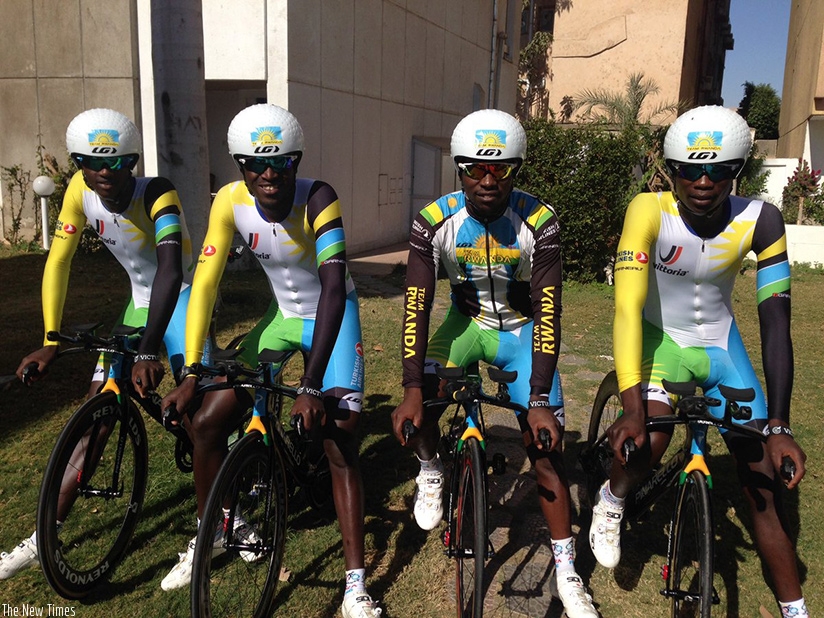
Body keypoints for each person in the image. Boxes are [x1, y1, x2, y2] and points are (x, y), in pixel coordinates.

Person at [589, 105, 809, 617]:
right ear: (671, 170)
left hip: (721, 348)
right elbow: (628, 308)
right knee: (650, 441)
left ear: (738, 170)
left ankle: (795, 610)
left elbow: (776, 323)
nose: (704, 182)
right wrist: (632, 407)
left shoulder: (762, 220)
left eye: (719, 170)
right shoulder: (649, 210)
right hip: (659, 342)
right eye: (689, 170)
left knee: (763, 491)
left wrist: (778, 425)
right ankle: (613, 499)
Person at [160, 104, 380, 617]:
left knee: (339, 439)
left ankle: (355, 586)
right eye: (255, 165)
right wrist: (192, 371)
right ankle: (216, 528)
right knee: (208, 421)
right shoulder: (229, 201)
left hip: (332, 314)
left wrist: (310, 383)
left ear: (295, 162)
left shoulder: (318, 198)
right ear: (240, 166)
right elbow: (205, 283)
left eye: (280, 163)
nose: (268, 175)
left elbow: (332, 288)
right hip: (281, 317)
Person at [391, 109, 598, 618]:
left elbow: (548, 312)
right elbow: (417, 305)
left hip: (523, 333)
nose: (488, 180)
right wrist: (412, 387)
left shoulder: (539, 221)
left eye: (500, 169)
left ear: (516, 169)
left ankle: (567, 570)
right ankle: (431, 469)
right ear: (459, 170)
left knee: (546, 450)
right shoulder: (433, 221)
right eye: (475, 170)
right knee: (423, 406)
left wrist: (539, 398)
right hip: (464, 328)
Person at [2, 108, 194, 579]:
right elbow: (59, 261)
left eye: (117, 162)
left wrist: (148, 350)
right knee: (96, 416)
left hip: (182, 300)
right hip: (139, 303)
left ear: (133, 162)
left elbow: (171, 272)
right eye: (91, 163)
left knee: (200, 412)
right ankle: (44, 535)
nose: (104, 173)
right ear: (78, 164)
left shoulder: (158, 193)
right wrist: (50, 340)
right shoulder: (77, 191)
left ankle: (234, 509)